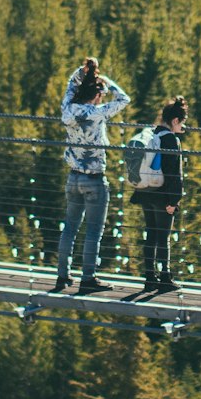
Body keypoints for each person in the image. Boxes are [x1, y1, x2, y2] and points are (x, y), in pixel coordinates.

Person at [53, 57, 130, 295]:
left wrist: (82, 73)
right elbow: (125, 99)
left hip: (73, 177)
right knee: (94, 230)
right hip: (95, 178)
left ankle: (63, 275)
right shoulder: (98, 113)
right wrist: (106, 80)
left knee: (70, 227)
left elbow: (69, 85)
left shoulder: (68, 110)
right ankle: (88, 277)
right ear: (97, 95)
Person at [131, 95, 188, 292]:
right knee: (164, 236)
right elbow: (174, 174)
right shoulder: (171, 140)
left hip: (145, 191)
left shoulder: (151, 135)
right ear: (174, 121)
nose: (183, 127)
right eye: (182, 123)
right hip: (163, 195)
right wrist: (175, 200)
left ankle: (149, 277)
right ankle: (165, 277)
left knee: (151, 234)